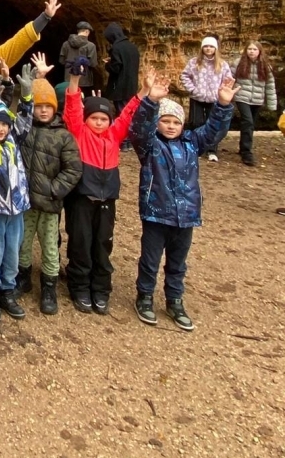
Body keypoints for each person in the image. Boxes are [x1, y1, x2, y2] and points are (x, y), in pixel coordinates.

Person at [129, 71, 237, 331]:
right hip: (156, 213)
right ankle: (144, 296)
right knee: (150, 259)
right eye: (164, 121)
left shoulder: (192, 143)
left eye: (175, 122)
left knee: (178, 262)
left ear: (182, 124)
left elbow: (213, 132)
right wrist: (151, 102)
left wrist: (222, 105)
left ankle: (174, 299)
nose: (170, 126)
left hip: (186, 215)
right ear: (157, 124)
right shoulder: (150, 146)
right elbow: (138, 128)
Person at [62, 60, 139, 315]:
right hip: (83, 198)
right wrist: (74, 81)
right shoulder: (79, 133)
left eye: (103, 119)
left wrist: (144, 93)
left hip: (107, 199)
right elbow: (73, 108)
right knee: (81, 243)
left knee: (103, 244)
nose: (98, 123)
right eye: (94, 118)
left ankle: (101, 289)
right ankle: (79, 286)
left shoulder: (114, 136)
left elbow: (127, 114)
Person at [16, 67, 82, 315]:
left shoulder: (63, 136)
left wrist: (55, 190)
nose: (43, 110)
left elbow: (73, 169)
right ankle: (23, 278)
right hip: (26, 201)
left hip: (50, 203)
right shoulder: (25, 130)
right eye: (38, 105)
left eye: (48, 106)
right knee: (23, 242)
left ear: (55, 107)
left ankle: (49, 287)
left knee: (50, 246)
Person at [0, 68, 36, 325]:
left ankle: (7, 290)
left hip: (17, 208)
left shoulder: (14, 140)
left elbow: (24, 119)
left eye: (3, 124)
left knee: (13, 251)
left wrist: (27, 95)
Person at [181, 36, 233, 162]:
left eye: (211, 46)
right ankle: (195, 147)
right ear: (202, 48)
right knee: (196, 122)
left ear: (215, 48)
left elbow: (228, 80)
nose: (208, 49)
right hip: (197, 97)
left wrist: (220, 92)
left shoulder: (222, 64)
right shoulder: (194, 62)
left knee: (214, 124)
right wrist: (193, 89)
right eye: (206, 46)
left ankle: (211, 150)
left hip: (214, 98)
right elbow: (184, 76)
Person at [232, 41, 277, 167]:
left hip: (257, 99)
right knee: (248, 121)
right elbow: (230, 78)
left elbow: (270, 85)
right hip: (242, 96)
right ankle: (247, 152)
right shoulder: (238, 63)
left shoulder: (265, 66)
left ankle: (242, 147)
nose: (251, 51)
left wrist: (272, 104)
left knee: (250, 124)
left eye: (254, 49)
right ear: (246, 50)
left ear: (259, 51)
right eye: (249, 49)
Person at [102, 22, 140, 110]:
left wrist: (107, 64)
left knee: (122, 113)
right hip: (132, 86)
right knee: (130, 112)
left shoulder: (116, 47)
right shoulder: (133, 47)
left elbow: (116, 68)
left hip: (120, 87)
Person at [59, 22, 98, 90]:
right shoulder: (91, 46)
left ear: (78, 31)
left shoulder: (65, 44)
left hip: (69, 79)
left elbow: (61, 61)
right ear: (86, 31)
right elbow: (93, 64)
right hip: (84, 81)